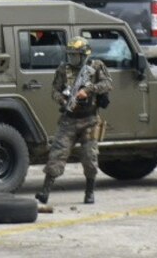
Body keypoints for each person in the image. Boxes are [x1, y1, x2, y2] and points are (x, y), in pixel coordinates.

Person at [36, 37, 111, 206]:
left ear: (84, 54)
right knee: (57, 155)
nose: (72, 59)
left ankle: (90, 192)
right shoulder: (63, 69)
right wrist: (63, 100)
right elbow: (54, 90)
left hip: (90, 119)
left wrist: (89, 90)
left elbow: (107, 84)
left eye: (76, 55)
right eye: (70, 55)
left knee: (90, 157)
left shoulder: (96, 66)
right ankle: (45, 192)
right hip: (69, 120)